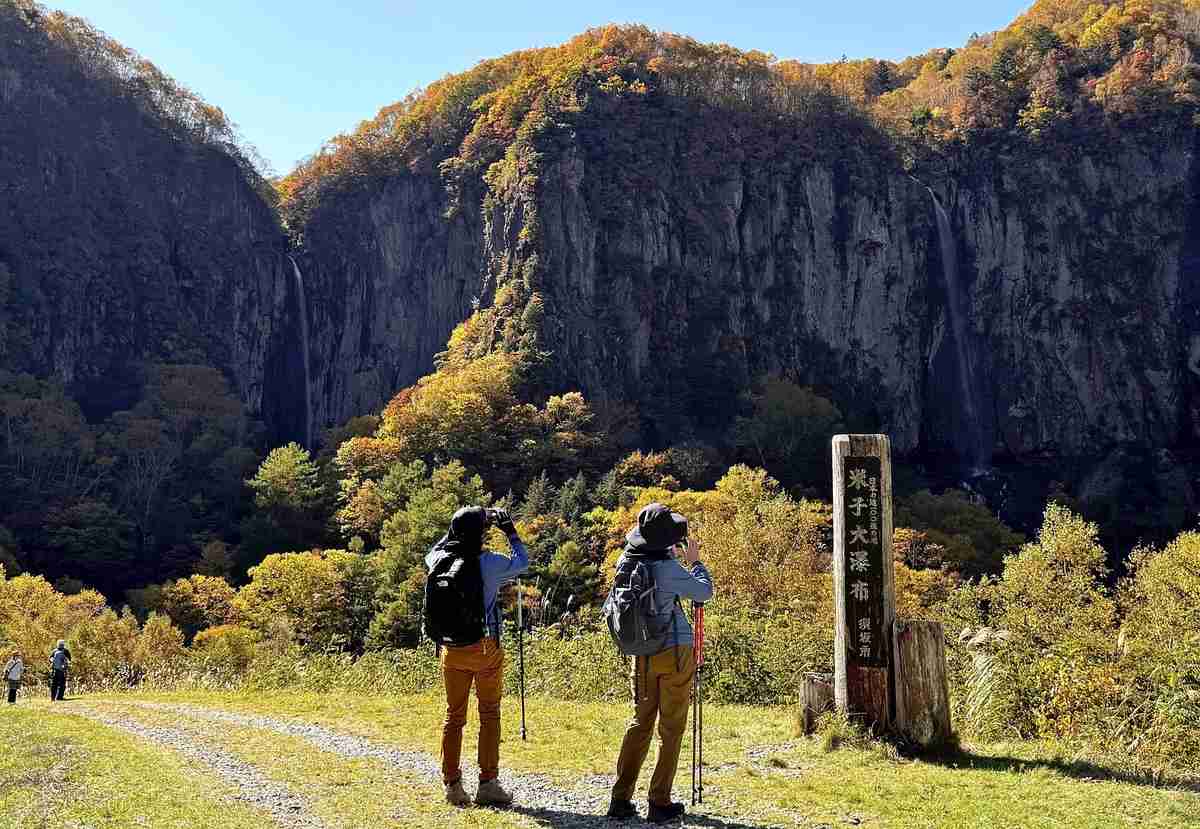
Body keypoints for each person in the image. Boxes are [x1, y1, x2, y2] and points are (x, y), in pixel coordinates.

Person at [607, 503, 713, 823]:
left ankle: (620, 798)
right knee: (671, 728)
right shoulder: (668, 568)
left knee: (640, 723)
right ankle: (659, 801)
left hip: (642, 653)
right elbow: (703, 592)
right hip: (674, 652)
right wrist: (695, 563)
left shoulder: (626, 560)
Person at [426, 506, 528, 808]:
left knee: (454, 715)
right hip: (484, 647)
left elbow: (434, 549)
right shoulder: (491, 563)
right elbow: (523, 562)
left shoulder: (437, 559)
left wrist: (455, 526)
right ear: (482, 533)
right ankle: (488, 783)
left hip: (451, 649)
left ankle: (452, 785)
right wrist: (509, 530)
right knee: (489, 713)